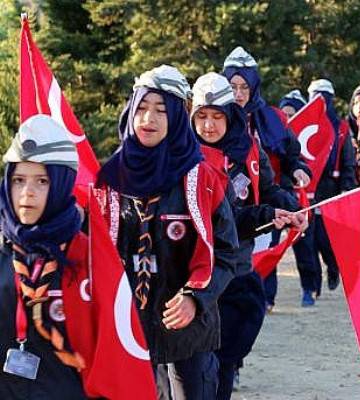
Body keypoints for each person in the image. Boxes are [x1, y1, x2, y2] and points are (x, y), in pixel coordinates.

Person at [97, 65, 238, 399]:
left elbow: (227, 253)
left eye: (162, 111)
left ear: (176, 118)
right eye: (142, 108)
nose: (149, 119)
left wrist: (196, 298)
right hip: (126, 326)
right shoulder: (110, 180)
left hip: (188, 329)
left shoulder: (201, 179)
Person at [190, 72, 306, 397]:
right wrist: (269, 216)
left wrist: (290, 207)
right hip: (196, 276)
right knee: (195, 367)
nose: (209, 125)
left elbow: (267, 189)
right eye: (202, 116)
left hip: (237, 267)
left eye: (217, 116)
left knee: (226, 360)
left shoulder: (249, 149)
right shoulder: (183, 158)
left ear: (231, 115)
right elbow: (219, 221)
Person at [0, 115, 89, 399]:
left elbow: (114, 357)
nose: (27, 192)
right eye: (18, 180)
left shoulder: (89, 257)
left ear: (62, 184)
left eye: (42, 181)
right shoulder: (2, 248)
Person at [222, 46, 313, 308]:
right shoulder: (214, 117)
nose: (238, 94)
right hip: (226, 202)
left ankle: (265, 298)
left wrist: (298, 169)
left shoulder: (272, 118)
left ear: (253, 87)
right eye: (232, 87)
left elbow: (292, 153)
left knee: (264, 249)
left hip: (267, 195)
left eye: (244, 87)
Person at [305, 79, 356, 295]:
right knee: (310, 240)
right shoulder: (304, 125)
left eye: (322, 97)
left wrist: (346, 186)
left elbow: (348, 161)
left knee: (326, 239)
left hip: (331, 187)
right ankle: (313, 285)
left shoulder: (342, 128)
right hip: (308, 186)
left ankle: (333, 266)